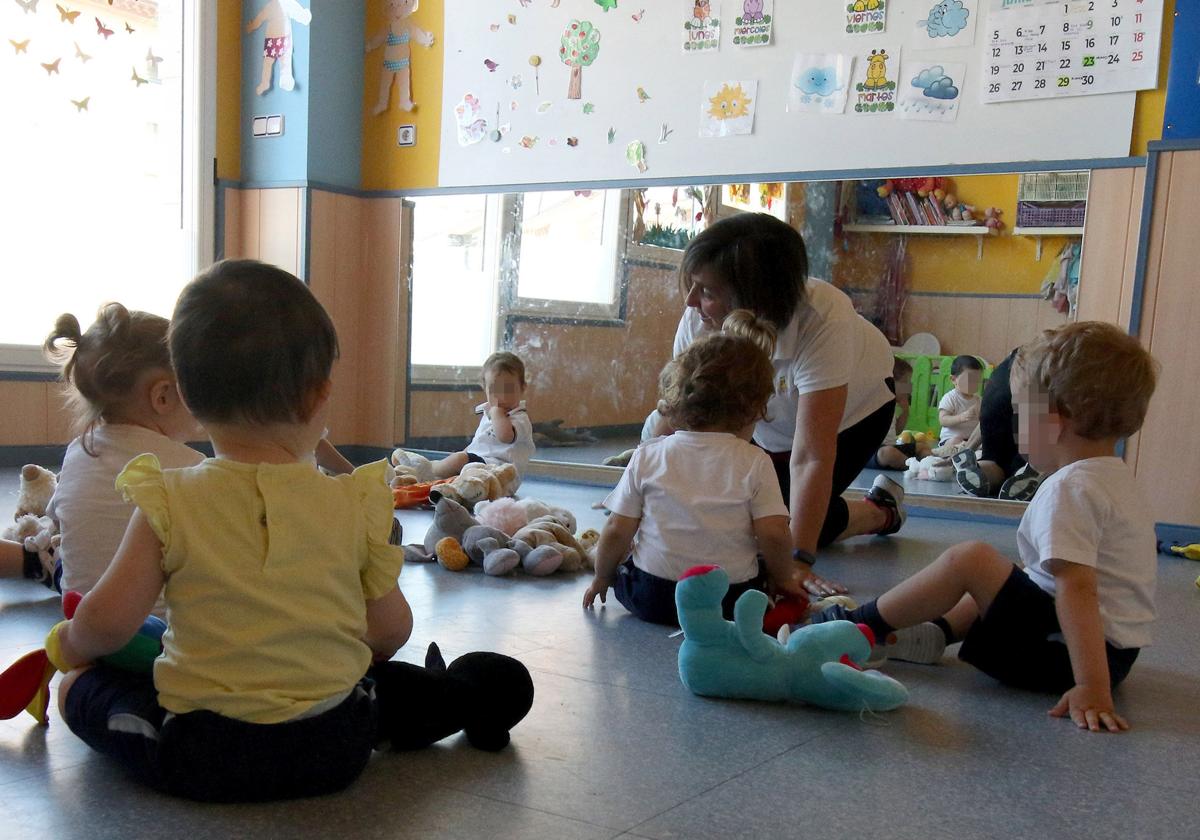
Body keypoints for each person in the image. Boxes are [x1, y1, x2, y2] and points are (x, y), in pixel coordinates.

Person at [47, 260, 420, 801]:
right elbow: (392, 629)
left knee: (81, 692)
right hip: (336, 745)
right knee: (374, 695)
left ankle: (71, 690)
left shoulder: (166, 498)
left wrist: (70, 646)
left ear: (190, 396)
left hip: (205, 751)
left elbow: (106, 622)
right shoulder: (355, 500)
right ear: (320, 395)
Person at [812, 322, 1158, 733]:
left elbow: (1077, 589)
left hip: (1064, 657)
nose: (1015, 430)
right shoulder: (1114, 479)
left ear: (1054, 420)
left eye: (1020, 414)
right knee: (1018, 577)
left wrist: (1091, 686)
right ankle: (935, 634)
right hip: (1114, 654)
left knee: (970, 560)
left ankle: (860, 627)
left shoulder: (1069, 488)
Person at [667, 213, 904, 596]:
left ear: (755, 298)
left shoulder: (824, 316)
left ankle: (880, 511)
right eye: (694, 287)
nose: (691, 301)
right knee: (748, 518)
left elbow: (812, 454)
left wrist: (797, 562)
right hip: (766, 424)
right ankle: (852, 511)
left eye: (707, 291)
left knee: (782, 526)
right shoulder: (699, 318)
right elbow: (685, 420)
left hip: (855, 415)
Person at [583, 311, 806, 625]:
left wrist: (602, 578)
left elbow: (617, 529)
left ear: (679, 400)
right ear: (756, 408)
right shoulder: (755, 461)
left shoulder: (648, 454)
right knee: (756, 569)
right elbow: (774, 534)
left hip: (653, 596)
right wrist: (783, 579)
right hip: (727, 600)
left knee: (630, 562)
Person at [0, 305, 205, 595]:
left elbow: (59, 519)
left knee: (57, 550)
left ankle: (33, 559)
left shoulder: (77, 454)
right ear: (162, 396)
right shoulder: (195, 469)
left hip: (79, 606)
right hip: (164, 631)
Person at [393, 352, 536, 487]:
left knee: (459, 460)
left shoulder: (519, 418)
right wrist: (464, 453)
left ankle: (425, 471)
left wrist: (497, 413)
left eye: (508, 389)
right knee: (457, 464)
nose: (501, 396)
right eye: (494, 389)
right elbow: (479, 443)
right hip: (479, 467)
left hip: (500, 475)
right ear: (484, 388)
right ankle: (427, 480)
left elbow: (505, 436)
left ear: (522, 388)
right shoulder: (489, 412)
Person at [952, 348, 1043, 501]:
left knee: (994, 460)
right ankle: (1029, 469)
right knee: (1031, 458)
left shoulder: (1011, 362)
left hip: (997, 388)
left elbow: (984, 421)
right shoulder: (1054, 362)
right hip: (1036, 384)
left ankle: (978, 469)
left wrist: (967, 449)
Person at [865, 357, 934, 470]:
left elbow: (897, 431)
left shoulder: (893, 405)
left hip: (892, 446)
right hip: (873, 452)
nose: (908, 389)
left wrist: (905, 410)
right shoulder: (874, 402)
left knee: (922, 446)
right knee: (888, 453)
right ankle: (916, 468)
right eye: (905, 384)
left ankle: (930, 465)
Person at [936, 355, 984, 448]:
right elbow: (943, 420)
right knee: (955, 441)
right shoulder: (950, 398)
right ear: (954, 380)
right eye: (969, 380)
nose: (974, 384)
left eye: (977, 380)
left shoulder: (978, 400)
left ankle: (969, 451)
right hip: (951, 439)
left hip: (971, 439)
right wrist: (961, 417)